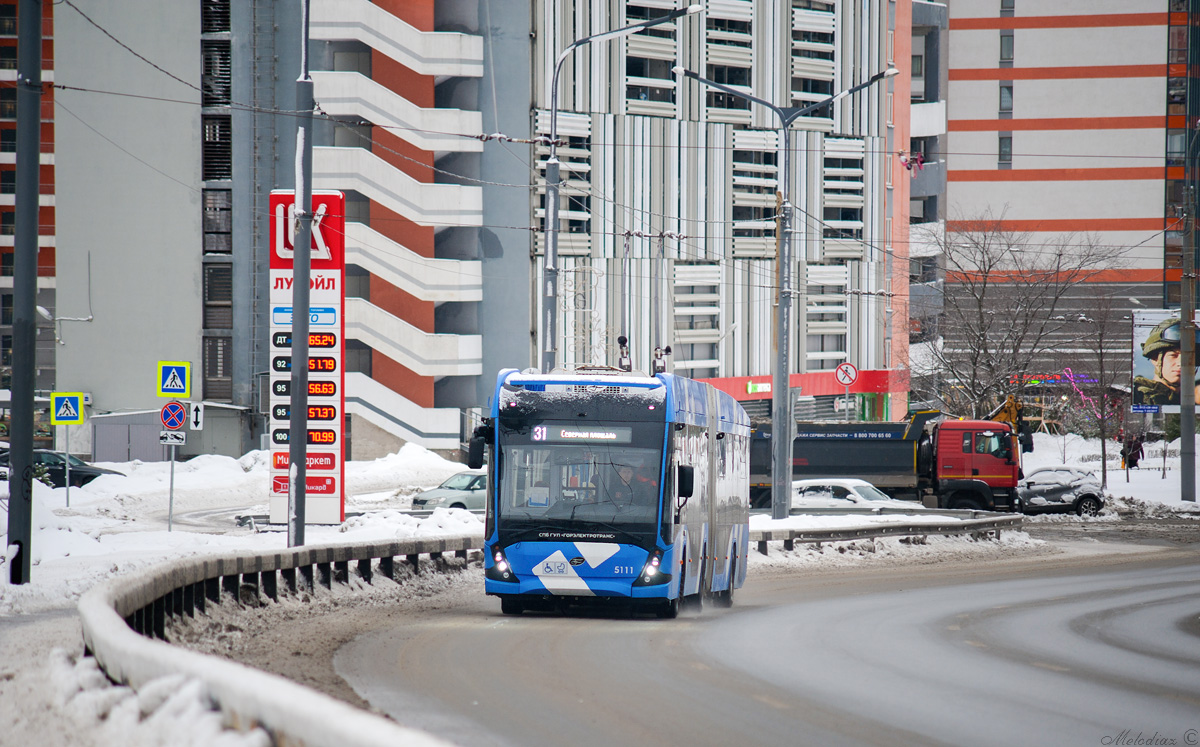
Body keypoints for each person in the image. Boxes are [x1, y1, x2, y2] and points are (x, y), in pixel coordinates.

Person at [1134, 317, 1200, 406]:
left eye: (1189, 357)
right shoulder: (1138, 396)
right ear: (1155, 359)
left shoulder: (1193, 399)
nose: (1181, 363)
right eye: (1173, 356)